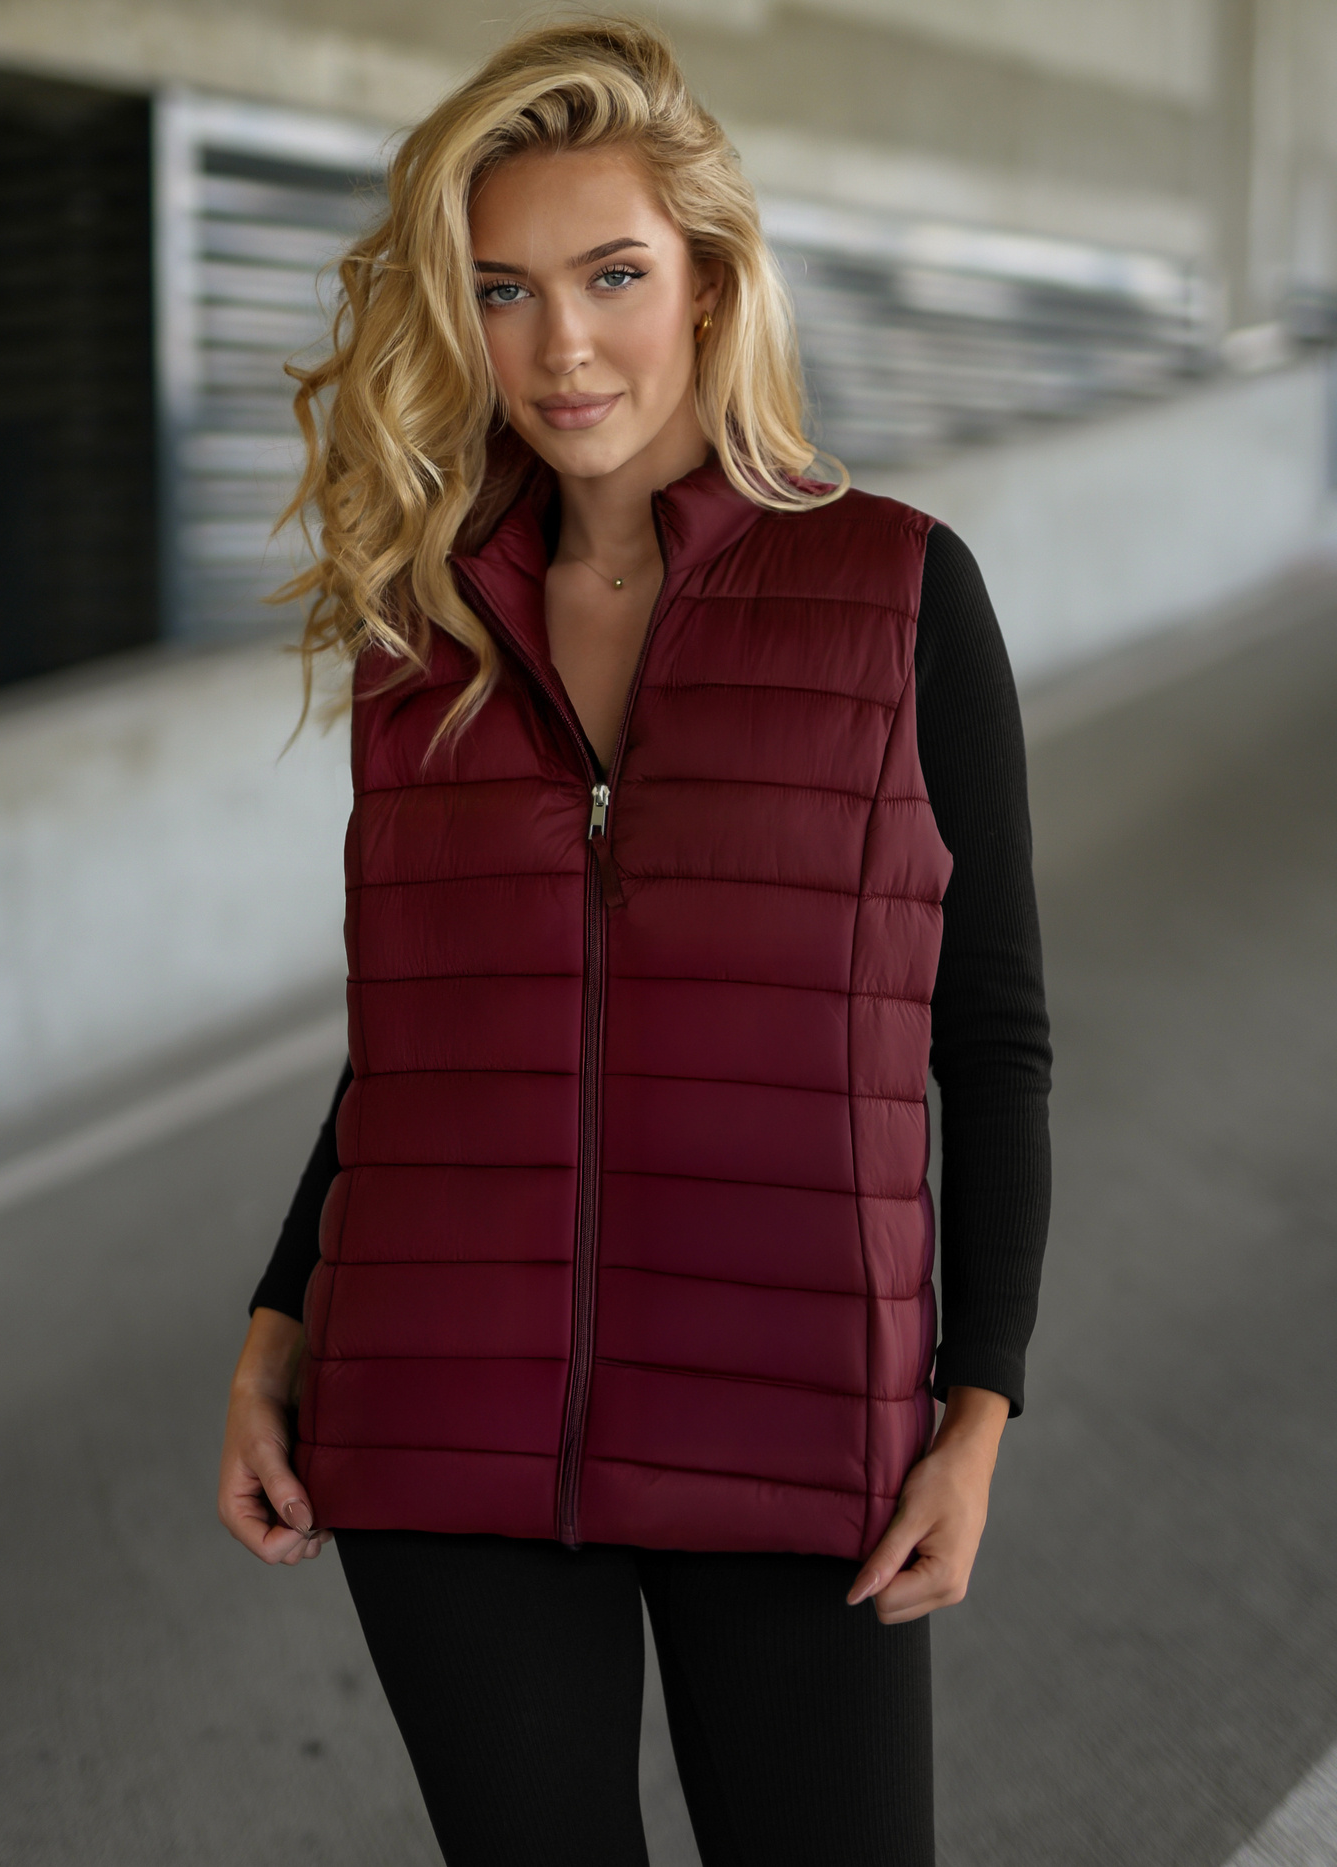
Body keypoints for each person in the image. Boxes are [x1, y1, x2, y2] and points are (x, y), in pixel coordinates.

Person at [217, 18, 1051, 1865]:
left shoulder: (895, 588)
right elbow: (423, 1040)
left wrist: (976, 1410)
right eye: (501, 290)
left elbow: (989, 1036)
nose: (561, 347)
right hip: (440, 1414)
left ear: (710, 284)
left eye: (612, 276)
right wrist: (280, 1325)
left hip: (793, 1420)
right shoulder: (418, 630)